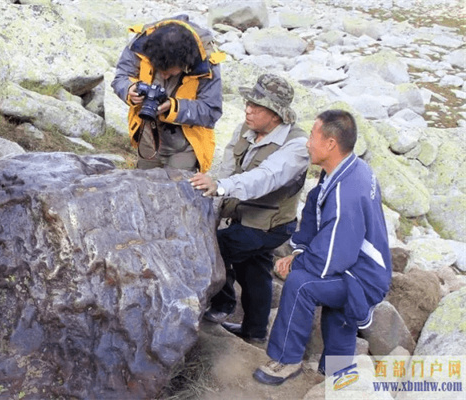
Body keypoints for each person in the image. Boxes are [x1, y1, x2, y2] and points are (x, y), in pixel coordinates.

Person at [253, 110, 392, 385]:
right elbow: (318, 215)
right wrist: (300, 250)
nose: (307, 142)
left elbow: (332, 258)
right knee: (338, 311)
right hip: (363, 267)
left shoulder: (346, 192)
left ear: (330, 144)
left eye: (313, 136)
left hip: (362, 276)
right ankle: (335, 374)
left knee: (301, 284)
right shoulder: (346, 169)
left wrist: (296, 263)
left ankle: (286, 360)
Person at [189, 73, 310, 345]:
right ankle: (254, 332)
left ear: (276, 115)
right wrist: (213, 207)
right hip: (242, 217)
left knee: (214, 249)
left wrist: (219, 186)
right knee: (254, 271)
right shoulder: (247, 128)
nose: (248, 109)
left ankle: (222, 303)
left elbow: (265, 177)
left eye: (257, 106)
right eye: (248, 102)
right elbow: (228, 165)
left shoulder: (296, 146)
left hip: (270, 225)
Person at [111, 15, 225, 172]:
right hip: (147, 135)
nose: (163, 76)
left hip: (185, 144)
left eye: (169, 73)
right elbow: (121, 77)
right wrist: (129, 89)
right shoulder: (142, 43)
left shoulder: (207, 63)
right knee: (144, 183)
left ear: (185, 64)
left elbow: (212, 111)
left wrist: (173, 108)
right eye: (159, 71)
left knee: (176, 188)